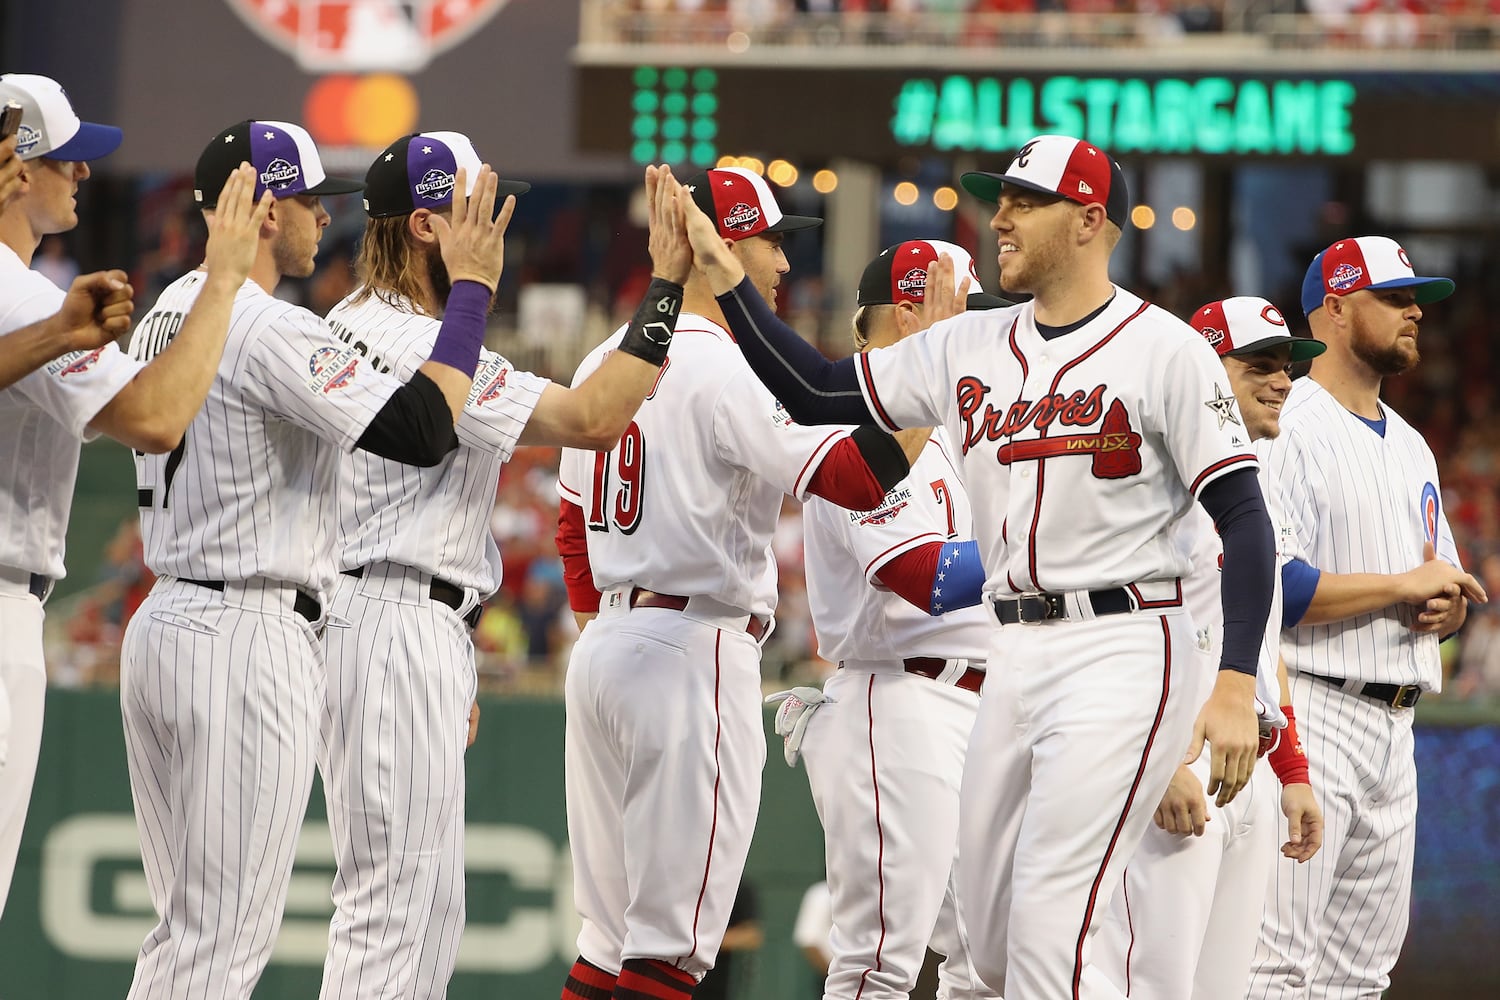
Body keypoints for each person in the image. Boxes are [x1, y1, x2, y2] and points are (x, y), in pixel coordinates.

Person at [676, 134, 1277, 1000]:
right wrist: (726, 281)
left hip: (1129, 643)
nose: (999, 215)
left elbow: (1245, 520)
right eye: (1002, 197)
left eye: (1025, 202)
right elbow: (812, 388)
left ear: (1089, 221)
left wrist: (1233, 680)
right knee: (986, 951)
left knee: (1046, 929)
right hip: (1015, 654)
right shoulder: (970, 345)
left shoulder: (1166, 350)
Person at [118, 118, 517, 1000]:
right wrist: (473, 294)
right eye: (303, 201)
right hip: (241, 630)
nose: (318, 222)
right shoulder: (265, 325)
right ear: (261, 209)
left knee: (187, 933)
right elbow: (420, 430)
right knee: (220, 943)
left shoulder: (166, 312)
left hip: (167, 620)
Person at [317, 134, 691, 1000]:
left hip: (396, 617)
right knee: (395, 913)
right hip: (389, 620)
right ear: (424, 225)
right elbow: (596, 417)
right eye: (476, 210)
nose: (497, 227)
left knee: (415, 910)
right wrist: (666, 284)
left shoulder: (351, 325)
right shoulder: (422, 342)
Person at [554, 165, 919, 1000]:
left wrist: (609, 633)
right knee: (668, 951)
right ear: (718, 246)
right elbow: (860, 480)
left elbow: (573, 527)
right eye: (768, 242)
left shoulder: (606, 356)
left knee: (604, 942)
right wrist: (924, 383)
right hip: (692, 648)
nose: (783, 265)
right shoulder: (729, 369)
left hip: (608, 648)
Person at [0, 73, 267, 920]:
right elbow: (156, 418)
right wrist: (224, 282)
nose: (82, 174)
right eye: (65, 157)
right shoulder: (18, 289)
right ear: (13, 169)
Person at [1247, 237, 1487, 1000]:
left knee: (1360, 976)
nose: (1417, 311)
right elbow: (1274, 585)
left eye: (1416, 297)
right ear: (1337, 308)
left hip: (1397, 721)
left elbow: (1435, 581)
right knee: (1276, 969)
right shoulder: (1290, 424)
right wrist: (1400, 586)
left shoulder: (1412, 444)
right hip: (1312, 712)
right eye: (1395, 297)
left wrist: (1442, 605)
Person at [776, 241, 1007, 1000]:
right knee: (879, 962)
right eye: (963, 313)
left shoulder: (953, 425)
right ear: (916, 312)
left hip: (979, 704)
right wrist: (1044, 554)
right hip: (897, 699)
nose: (981, 331)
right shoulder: (848, 421)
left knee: (987, 964)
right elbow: (922, 578)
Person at [1093, 297, 1327, 1000]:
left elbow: (1262, 648)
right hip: (1177, 764)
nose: (1283, 382)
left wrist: (1290, 770)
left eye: (1287, 368)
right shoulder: (1149, 481)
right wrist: (1155, 762)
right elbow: (1109, 631)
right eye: (1260, 365)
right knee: (1146, 986)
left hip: (1248, 765)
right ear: (1200, 369)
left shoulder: (1256, 490)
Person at [695, 880, 763, 1000]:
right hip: (679, 977)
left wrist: (702, 942)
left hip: (718, 983)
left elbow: (752, 935)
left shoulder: (739, 887)